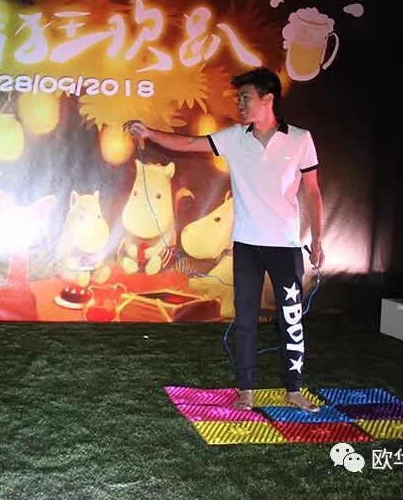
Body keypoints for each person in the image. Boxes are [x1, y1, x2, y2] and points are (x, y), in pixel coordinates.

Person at [125, 66, 324, 412]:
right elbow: (189, 143)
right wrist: (150, 133)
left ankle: (293, 390)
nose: (240, 104)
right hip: (245, 247)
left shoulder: (300, 139)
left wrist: (317, 240)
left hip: (286, 247)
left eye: (245, 98)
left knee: (291, 320)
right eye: (238, 99)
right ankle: (246, 390)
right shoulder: (234, 137)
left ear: (268, 99)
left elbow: (312, 192)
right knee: (244, 320)